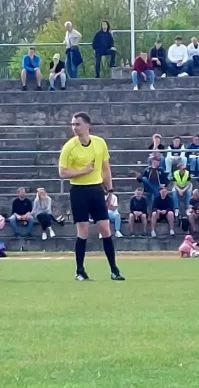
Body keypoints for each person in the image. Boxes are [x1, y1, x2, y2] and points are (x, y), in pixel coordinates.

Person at [58, 112, 124, 281]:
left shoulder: (100, 143)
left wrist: (109, 191)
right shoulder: (69, 147)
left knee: (105, 228)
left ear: (87, 125)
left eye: (77, 124)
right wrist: (82, 171)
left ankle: (114, 270)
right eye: (73, 124)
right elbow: (62, 172)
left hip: (96, 190)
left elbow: (105, 167)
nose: (74, 128)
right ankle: (80, 270)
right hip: (79, 191)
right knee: (83, 231)